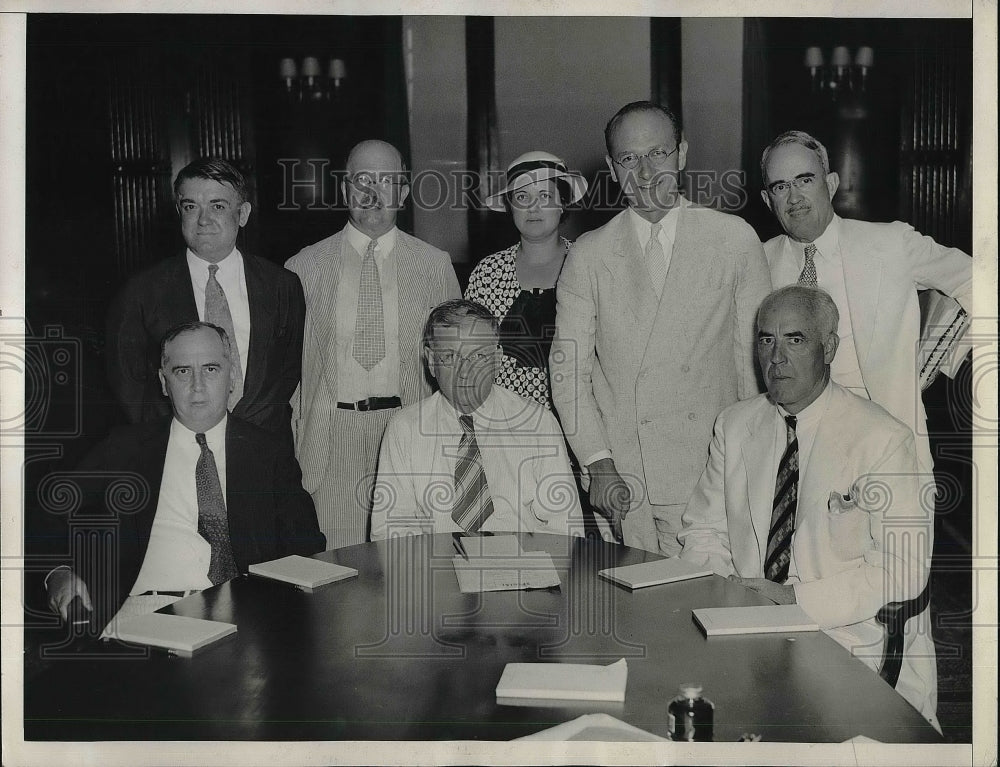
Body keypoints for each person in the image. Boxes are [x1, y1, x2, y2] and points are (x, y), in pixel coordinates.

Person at [678, 285, 938, 729]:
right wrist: (731, 601)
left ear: (829, 347)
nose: (775, 358)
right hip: (743, 622)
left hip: (840, 631)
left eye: (794, 339)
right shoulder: (735, 424)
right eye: (766, 340)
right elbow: (704, 533)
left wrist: (794, 600)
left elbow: (904, 568)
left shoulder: (881, 438)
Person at [550, 100, 772, 555]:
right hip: (624, 478)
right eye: (630, 158)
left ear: (682, 155)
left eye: (658, 153)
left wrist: (752, 464)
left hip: (709, 470)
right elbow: (567, 371)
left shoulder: (734, 240)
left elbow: (755, 363)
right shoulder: (588, 254)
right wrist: (598, 460)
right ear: (612, 168)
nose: (646, 171)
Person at [45, 322, 325, 631]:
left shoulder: (268, 453)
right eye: (182, 371)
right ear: (164, 383)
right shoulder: (126, 448)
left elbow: (306, 546)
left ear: (232, 376)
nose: (197, 386)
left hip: (245, 612)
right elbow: (48, 509)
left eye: (210, 369)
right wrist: (57, 571)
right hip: (147, 612)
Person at [759, 130, 973, 475]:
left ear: (830, 184)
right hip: (794, 455)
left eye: (805, 179)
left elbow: (978, 280)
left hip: (886, 444)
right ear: (768, 200)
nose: (794, 197)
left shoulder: (890, 244)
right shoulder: (758, 263)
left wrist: (952, 354)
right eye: (780, 186)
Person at [285, 140, 461, 549]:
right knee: (336, 582)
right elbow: (288, 374)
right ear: (345, 189)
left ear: (403, 192)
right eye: (361, 179)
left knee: (411, 575)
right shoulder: (302, 268)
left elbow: (454, 365)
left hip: (409, 434)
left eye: (386, 180)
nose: (372, 191)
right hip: (330, 447)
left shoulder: (435, 265)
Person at [371, 300, 609, 541]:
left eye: (478, 356)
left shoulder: (538, 424)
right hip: (433, 569)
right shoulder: (405, 429)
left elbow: (567, 532)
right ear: (431, 361)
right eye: (450, 356)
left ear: (497, 359)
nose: (465, 371)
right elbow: (388, 533)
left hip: (522, 568)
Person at [106, 158, 305, 443]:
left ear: (243, 213)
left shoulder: (281, 286)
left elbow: (288, 373)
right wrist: (176, 437)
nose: (203, 220)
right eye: (190, 207)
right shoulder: (142, 291)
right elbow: (129, 385)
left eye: (218, 206)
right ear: (179, 212)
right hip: (177, 450)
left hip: (263, 452)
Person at [465, 151, 587, 409]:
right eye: (522, 197)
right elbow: (471, 358)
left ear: (562, 203)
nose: (533, 207)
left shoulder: (587, 264)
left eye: (545, 196)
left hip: (578, 420)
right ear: (510, 207)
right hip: (502, 423)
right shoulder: (488, 273)